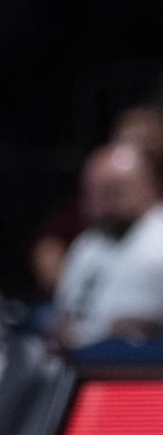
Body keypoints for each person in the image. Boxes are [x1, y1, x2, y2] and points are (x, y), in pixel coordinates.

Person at [57, 142, 163, 347]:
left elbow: (135, 326)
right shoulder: (88, 242)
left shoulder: (157, 237)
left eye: (113, 191)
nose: (102, 203)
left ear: (149, 186)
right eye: (93, 192)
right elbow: (63, 318)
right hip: (82, 365)